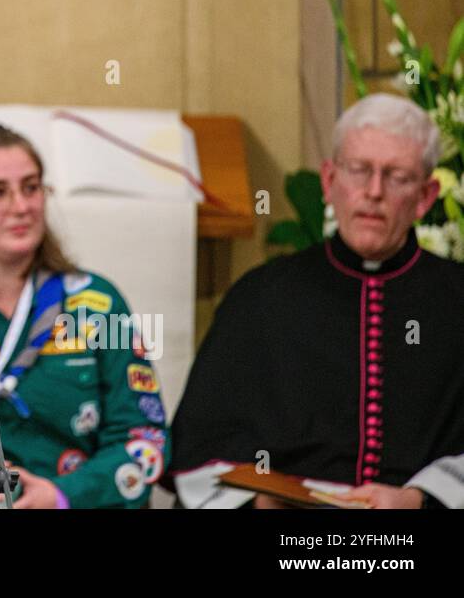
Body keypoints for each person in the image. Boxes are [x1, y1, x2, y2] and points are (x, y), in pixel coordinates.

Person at [167, 93, 464, 508]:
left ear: (426, 197)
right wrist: (262, 500)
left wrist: (417, 500)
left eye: (397, 176)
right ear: (329, 181)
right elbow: (206, 439)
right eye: (359, 171)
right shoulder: (261, 298)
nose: (373, 192)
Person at [0, 125, 168, 508]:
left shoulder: (97, 305)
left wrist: (62, 496)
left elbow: (144, 438)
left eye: (31, 187)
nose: (21, 206)